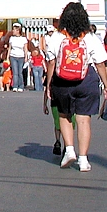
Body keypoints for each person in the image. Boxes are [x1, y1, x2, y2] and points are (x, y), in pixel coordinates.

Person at [46, 2, 107, 172]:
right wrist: (106, 85)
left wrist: (48, 85)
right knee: (84, 119)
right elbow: (100, 63)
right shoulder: (89, 37)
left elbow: (51, 62)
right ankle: (83, 159)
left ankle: (69, 150)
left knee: (64, 115)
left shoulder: (57, 37)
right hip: (86, 80)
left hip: (62, 80)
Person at [43, 18, 66, 155]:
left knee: (57, 115)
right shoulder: (76, 36)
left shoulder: (55, 39)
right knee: (70, 116)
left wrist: (48, 83)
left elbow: (51, 62)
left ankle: (58, 140)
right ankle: (68, 144)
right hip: (72, 79)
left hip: (56, 79)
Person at [7, 23, 27, 92]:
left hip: (21, 56)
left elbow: (25, 49)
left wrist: (26, 57)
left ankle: (21, 86)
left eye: (14, 30)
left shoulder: (23, 39)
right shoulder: (11, 38)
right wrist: (7, 57)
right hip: (13, 56)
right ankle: (15, 86)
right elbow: (9, 48)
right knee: (15, 72)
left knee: (20, 72)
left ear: (18, 30)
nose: (13, 31)